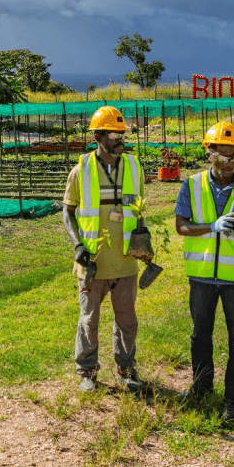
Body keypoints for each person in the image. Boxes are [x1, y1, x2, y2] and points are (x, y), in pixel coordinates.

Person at [174, 121, 234, 423]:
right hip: (201, 276)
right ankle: (201, 389)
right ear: (208, 153)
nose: (229, 163)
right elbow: (181, 226)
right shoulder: (192, 184)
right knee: (200, 336)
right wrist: (210, 227)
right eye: (223, 156)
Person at [63, 106, 151, 392]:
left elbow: (137, 210)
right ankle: (87, 372)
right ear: (98, 136)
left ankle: (126, 369)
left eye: (122, 133)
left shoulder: (134, 167)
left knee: (127, 319)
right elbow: (68, 212)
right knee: (89, 320)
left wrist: (143, 237)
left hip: (125, 260)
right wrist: (78, 245)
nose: (119, 140)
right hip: (93, 260)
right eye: (114, 134)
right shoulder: (81, 170)